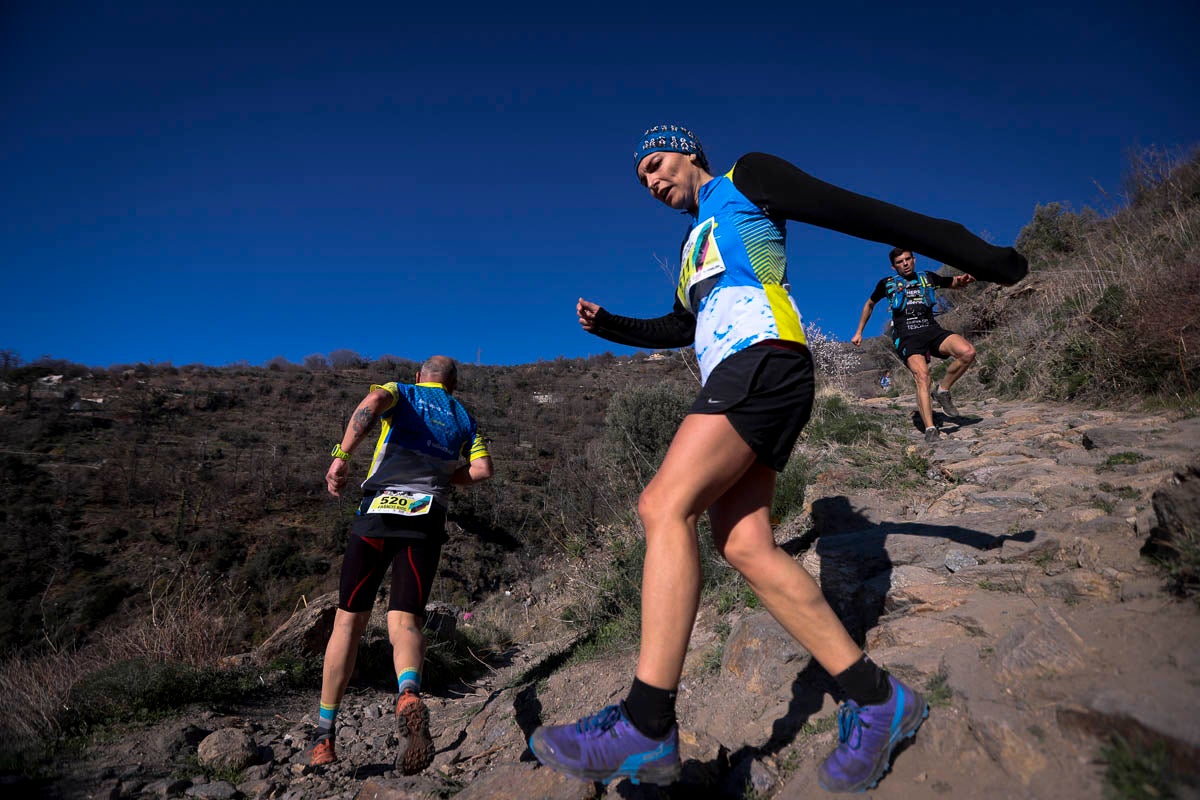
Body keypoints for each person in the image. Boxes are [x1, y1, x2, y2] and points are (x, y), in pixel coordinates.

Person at [527, 125, 1026, 792]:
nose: (649, 182)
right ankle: (879, 702)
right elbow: (681, 323)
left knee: (662, 505)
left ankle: (646, 723)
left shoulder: (746, 181)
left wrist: (984, 259)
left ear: (690, 152)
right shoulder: (690, 243)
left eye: (655, 163)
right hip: (737, 372)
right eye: (640, 178)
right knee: (744, 545)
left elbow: (864, 213)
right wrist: (611, 324)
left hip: (765, 358)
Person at [310, 355, 493, 773]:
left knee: (348, 622)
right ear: (453, 384)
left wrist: (341, 455)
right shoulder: (464, 418)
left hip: (376, 514)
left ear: (419, 378)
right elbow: (483, 470)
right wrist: (447, 477)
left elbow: (372, 402)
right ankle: (408, 692)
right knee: (405, 621)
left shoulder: (402, 392)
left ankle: (324, 738)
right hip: (426, 519)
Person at [851, 248, 977, 443]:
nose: (905, 263)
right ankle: (930, 429)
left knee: (967, 352)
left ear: (914, 259)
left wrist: (962, 281)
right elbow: (869, 304)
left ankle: (942, 391)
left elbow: (952, 283)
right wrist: (859, 331)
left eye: (908, 259)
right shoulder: (887, 284)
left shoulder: (928, 277)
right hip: (907, 335)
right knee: (922, 376)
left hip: (932, 330)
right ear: (894, 266)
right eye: (900, 261)